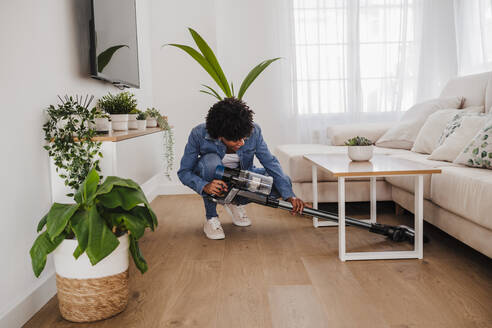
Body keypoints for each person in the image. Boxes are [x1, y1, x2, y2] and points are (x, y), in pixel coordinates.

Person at [178, 97, 306, 240]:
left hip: (241, 178)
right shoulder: (198, 134)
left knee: (282, 182)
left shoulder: (254, 131)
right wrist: (205, 186)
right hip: (214, 181)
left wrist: (290, 195)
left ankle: (234, 202)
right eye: (236, 139)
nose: (242, 142)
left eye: (244, 137)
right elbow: (184, 172)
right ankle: (211, 218)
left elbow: (270, 162)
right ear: (220, 136)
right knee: (210, 163)